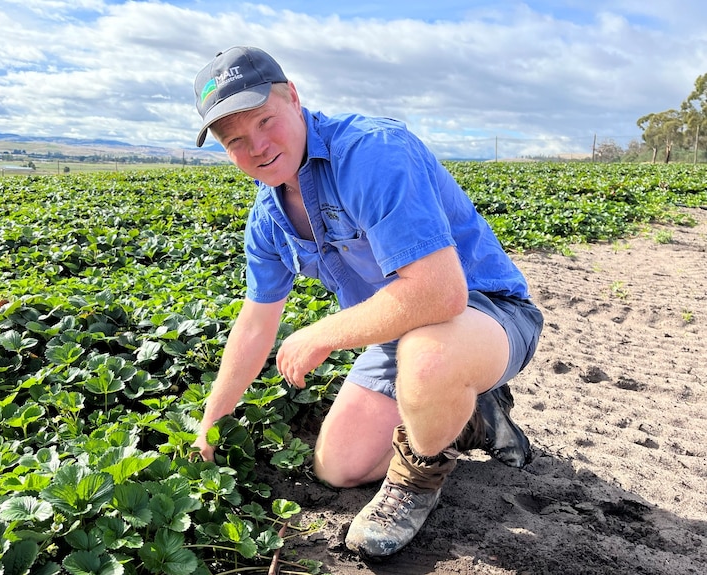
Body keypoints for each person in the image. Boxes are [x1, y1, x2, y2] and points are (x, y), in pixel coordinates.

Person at [190, 46, 544, 559]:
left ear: (293, 97)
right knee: (340, 467)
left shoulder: (373, 152)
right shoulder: (267, 219)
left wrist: (321, 333)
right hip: (404, 331)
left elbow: (441, 293)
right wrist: (211, 421)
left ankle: (414, 484)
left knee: (431, 355)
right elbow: (253, 325)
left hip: (486, 314)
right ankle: (468, 414)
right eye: (235, 140)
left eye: (265, 120)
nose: (258, 147)